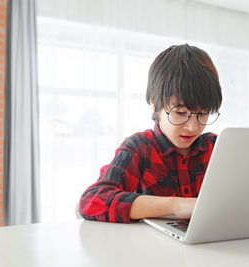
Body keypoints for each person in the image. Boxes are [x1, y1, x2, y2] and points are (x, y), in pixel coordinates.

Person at [79, 44, 222, 223]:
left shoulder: (217, 148)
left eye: (202, 114)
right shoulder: (139, 147)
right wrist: (175, 205)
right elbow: (92, 201)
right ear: (155, 104)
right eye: (181, 113)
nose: (193, 127)